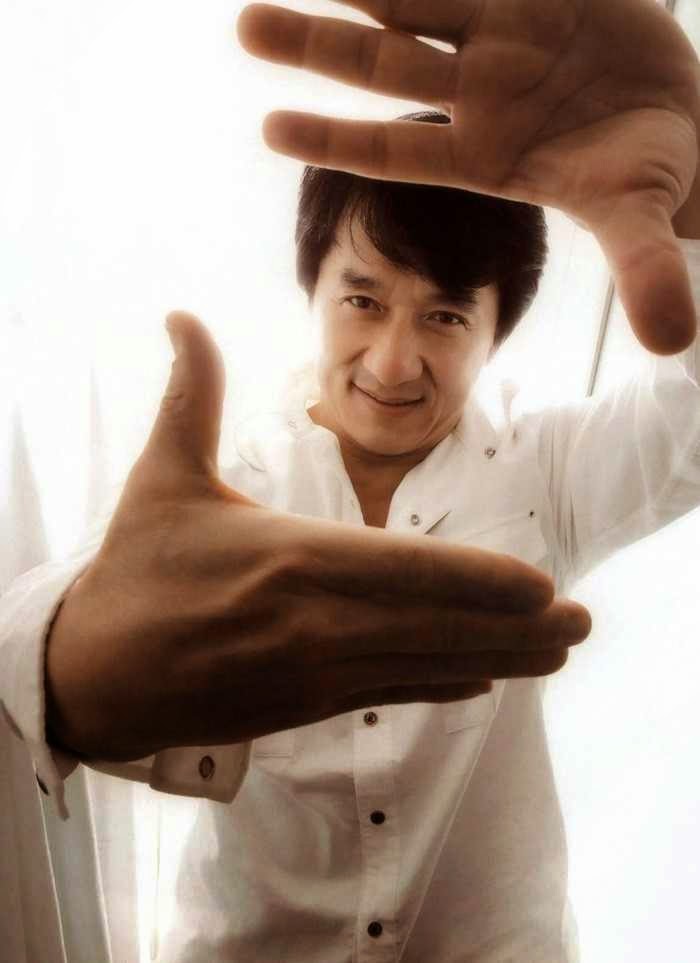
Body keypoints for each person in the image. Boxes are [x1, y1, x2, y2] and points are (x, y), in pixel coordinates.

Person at [0, 0, 699, 959]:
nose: (394, 362)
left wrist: (696, 192)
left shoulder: (548, 474)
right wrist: (67, 661)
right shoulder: (224, 486)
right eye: (363, 300)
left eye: (446, 317)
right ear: (313, 289)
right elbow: (45, 626)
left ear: (498, 333)